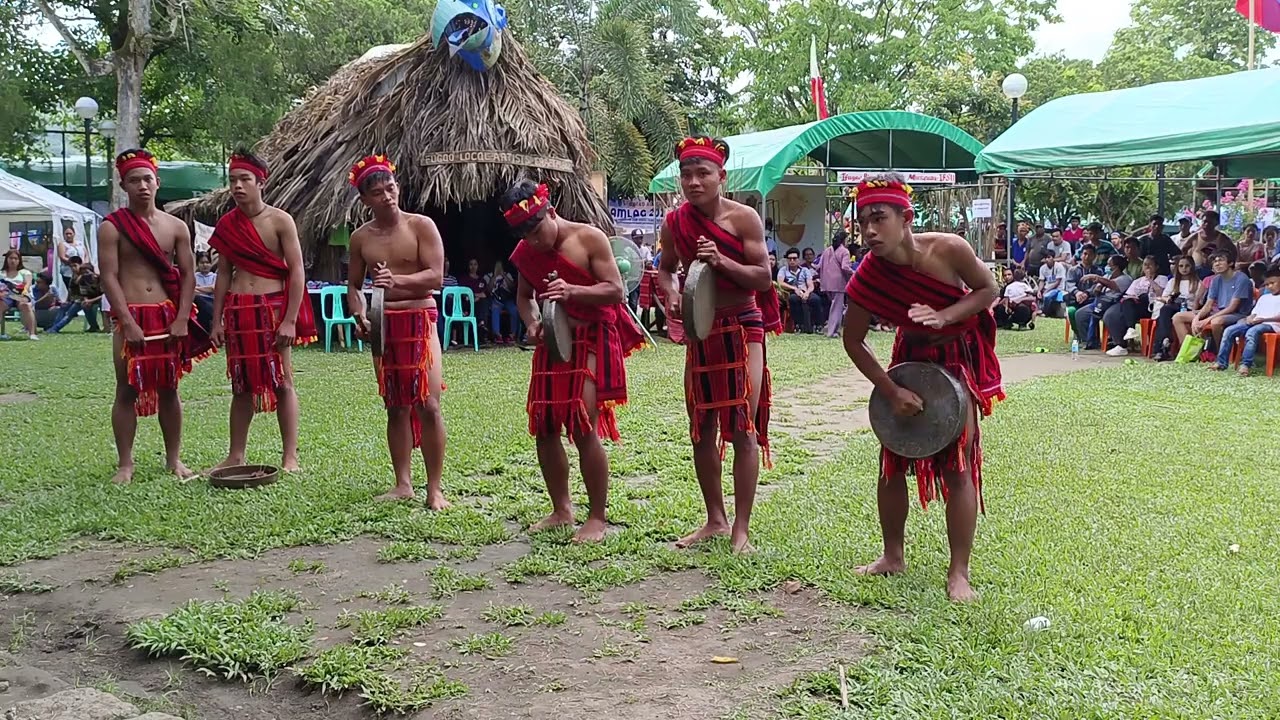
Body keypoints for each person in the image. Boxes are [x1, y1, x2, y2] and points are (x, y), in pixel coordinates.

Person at [841, 175, 1002, 602]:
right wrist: (891, 391)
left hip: (956, 358)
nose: (870, 230)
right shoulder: (869, 273)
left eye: (879, 218)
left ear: (906, 217)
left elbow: (988, 289)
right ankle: (892, 555)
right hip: (909, 362)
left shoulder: (949, 248)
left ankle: (959, 573)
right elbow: (852, 339)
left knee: (958, 465)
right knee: (892, 464)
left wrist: (946, 315)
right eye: (863, 222)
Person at [658, 136, 782, 554]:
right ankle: (715, 519)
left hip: (744, 324)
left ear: (721, 177)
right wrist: (672, 297)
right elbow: (665, 270)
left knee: (743, 424)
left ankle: (741, 529)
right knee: (701, 427)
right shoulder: (674, 223)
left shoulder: (744, 218)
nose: (693, 182)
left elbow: (763, 278)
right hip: (702, 329)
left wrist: (721, 261)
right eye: (687, 175)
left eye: (703, 174)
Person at [504, 181, 644, 543]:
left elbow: (615, 289)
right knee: (546, 425)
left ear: (550, 211)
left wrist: (572, 290)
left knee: (583, 423)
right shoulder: (525, 252)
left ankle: (597, 516)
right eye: (527, 237)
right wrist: (533, 323)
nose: (534, 242)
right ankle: (561, 509)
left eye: (537, 231)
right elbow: (524, 298)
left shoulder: (589, 238)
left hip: (594, 334)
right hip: (554, 338)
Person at [98, 148, 213, 483]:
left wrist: (180, 318)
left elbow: (189, 275)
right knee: (126, 389)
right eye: (134, 180)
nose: (142, 186)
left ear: (157, 182)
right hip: (130, 313)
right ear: (124, 185)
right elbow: (108, 276)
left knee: (169, 388)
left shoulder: (176, 226)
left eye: (147, 179)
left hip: (166, 314)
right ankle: (125, 464)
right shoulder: (112, 227)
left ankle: (174, 460)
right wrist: (127, 321)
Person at [347, 154, 449, 507]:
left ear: (398, 187)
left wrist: (398, 280)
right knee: (395, 406)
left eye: (390, 187)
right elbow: (354, 287)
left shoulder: (422, 226)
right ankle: (403, 482)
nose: (386, 196)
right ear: (365, 200)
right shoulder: (361, 238)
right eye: (376, 192)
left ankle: (434, 488)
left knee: (429, 404)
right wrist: (359, 315)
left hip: (421, 319)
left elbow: (435, 277)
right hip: (384, 324)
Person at [207, 151, 317, 473]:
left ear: (260, 183)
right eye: (232, 181)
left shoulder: (281, 220)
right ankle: (236, 454)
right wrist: (217, 320)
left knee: (282, 381)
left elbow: (296, 271)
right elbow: (223, 274)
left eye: (245, 180)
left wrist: (290, 320)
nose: (238, 187)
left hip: (273, 307)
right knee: (240, 384)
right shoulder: (227, 225)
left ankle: (290, 457)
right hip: (239, 308)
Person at [1174, 252, 1253, 353]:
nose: (1217, 263)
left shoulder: (1241, 279)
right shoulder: (1215, 280)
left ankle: (1220, 352)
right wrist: (1196, 318)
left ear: (1230, 263)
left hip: (1238, 314)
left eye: (1221, 260)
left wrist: (1207, 319)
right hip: (1218, 312)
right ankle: (1187, 351)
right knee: (1178, 317)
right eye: (1215, 261)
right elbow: (1208, 305)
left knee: (1216, 322)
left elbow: (1232, 307)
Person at [1214, 267, 1280, 375]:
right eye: (1267, 284)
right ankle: (1221, 362)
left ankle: (1245, 365)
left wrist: (1264, 319)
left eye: (1273, 283)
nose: (1270, 286)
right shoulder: (1265, 297)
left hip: (1272, 325)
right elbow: (1255, 312)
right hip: (1257, 322)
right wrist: (1250, 318)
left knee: (1251, 332)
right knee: (1229, 330)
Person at [1102, 256, 1167, 357]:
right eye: (1145, 265)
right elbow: (1128, 295)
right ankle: (1125, 337)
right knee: (1124, 304)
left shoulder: (1162, 278)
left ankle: (1127, 336)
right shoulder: (1138, 281)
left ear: (1156, 267)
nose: (1147, 267)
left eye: (1150, 265)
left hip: (1153, 308)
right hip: (1136, 308)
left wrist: (1150, 280)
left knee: (1144, 296)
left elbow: (1162, 293)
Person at [1076, 255, 1132, 351]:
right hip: (1100, 302)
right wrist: (1098, 287)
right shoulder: (1107, 276)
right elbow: (1096, 291)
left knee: (1109, 316)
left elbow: (1113, 285)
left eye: (1109, 265)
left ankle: (1115, 341)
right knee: (1080, 314)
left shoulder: (1125, 279)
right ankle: (1089, 340)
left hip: (1114, 304)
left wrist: (1097, 278)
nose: (1107, 267)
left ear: (1116, 267)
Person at [1152, 256, 1201, 361]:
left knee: (1165, 313)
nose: (1184, 268)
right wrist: (1169, 298)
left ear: (1192, 267)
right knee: (1165, 311)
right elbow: (1164, 296)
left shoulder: (1198, 283)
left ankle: (1162, 346)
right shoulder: (1173, 281)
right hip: (1172, 305)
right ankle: (1164, 343)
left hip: (1188, 308)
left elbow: (1199, 302)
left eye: (1187, 266)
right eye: (1181, 266)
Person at [818, 230, 854, 337]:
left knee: (834, 306)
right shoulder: (844, 251)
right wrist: (855, 273)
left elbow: (819, 265)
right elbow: (845, 267)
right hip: (838, 282)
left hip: (826, 282)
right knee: (837, 307)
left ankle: (830, 328)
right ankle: (832, 331)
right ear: (844, 240)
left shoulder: (827, 250)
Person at [778, 248, 822, 333]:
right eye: (790, 259)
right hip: (791, 292)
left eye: (794, 258)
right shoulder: (783, 270)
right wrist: (794, 288)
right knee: (793, 299)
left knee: (816, 299)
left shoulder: (805, 270)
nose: (792, 261)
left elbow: (810, 285)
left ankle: (818, 325)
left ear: (799, 260)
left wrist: (807, 293)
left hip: (805, 291)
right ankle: (798, 325)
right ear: (787, 260)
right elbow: (780, 283)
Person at [1, 250, 39, 340]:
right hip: (6, 296)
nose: (13, 261)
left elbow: (27, 284)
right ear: (6, 260)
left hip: (21, 295)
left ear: (19, 260)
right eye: (10, 258)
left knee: (25, 305)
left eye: (15, 258)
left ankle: (32, 334)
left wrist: (24, 291)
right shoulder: (2, 273)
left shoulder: (24, 272)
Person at [485, 259, 520, 343]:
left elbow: (512, 288)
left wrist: (504, 276)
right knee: (495, 309)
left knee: (514, 310)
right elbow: (488, 290)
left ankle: (513, 334)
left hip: (507, 299)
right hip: (495, 299)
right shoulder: (488, 276)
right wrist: (494, 276)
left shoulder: (507, 275)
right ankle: (497, 335)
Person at [1037, 252, 1067, 318]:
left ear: (1053, 258)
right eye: (1046, 258)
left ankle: (1045, 312)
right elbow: (1042, 281)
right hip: (1047, 288)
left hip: (1058, 289)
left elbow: (1057, 282)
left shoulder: (1059, 266)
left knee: (1047, 296)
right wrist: (1039, 290)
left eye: (1049, 257)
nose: (1047, 259)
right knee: (1035, 294)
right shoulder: (1042, 268)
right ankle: (1039, 310)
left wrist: (1047, 290)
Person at [193, 254, 217, 331]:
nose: (205, 265)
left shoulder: (214, 276)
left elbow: (213, 289)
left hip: (212, 302)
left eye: (207, 262)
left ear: (210, 264)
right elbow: (191, 291)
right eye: (202, 262)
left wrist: (197, 288)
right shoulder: (194, 276)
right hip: (197, 303)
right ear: (198, 264)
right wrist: (205, 290)